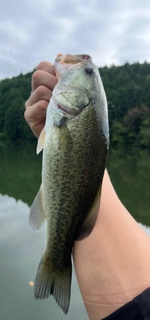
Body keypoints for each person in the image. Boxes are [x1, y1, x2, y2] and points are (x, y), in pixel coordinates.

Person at [24, 61, 150, 320]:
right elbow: (84, 161)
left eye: (88, 72)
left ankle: (55, 262)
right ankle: (56, 261)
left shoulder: (71, 116)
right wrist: (47, 131)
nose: (83, 65)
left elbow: (83, 160)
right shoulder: (70, 116)